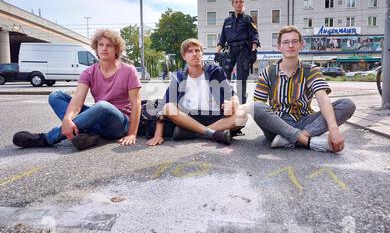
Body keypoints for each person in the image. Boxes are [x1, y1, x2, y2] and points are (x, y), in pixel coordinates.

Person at [13, 29, 142, 151]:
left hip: (119, 124)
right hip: (97, 120)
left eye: (109, 45)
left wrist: (132, 134)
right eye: (101, 44)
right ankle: (85, 135)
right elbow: (77, 101)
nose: (104, 48)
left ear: (116, 49)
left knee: (102, 106)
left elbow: (136, 104)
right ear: (96, 48)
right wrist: (68, 119)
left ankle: (47, 138)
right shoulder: (88, 72)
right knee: (55, 95)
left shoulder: (129, 71)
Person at [252, 25, 356, 153]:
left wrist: (333, 128)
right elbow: (258, 104)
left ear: (301, 45)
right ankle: (306, 141)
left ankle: (292, 139)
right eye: (286, 42)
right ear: (279, 47)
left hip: (305, 122)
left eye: (295, 41)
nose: (291, 45)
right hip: (277, 126)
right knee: (256, 107)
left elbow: (322, 98)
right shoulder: (268, 72)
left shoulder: (311, 70)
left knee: (347, 104)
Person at [156, 38, 248, 146]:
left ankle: (194, 133)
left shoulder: (215, 71)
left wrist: (233, 104)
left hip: (216, 117)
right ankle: (214, 133)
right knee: (168, 107)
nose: (194, 54)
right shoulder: (179, 77)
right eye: (190, 51)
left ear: (202, 53)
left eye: (197, 50)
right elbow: (163, 108)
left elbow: (233, 95)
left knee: (242, 115)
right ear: (184, 56)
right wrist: (158, 134)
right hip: (189, 118)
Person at [215, 0, 260, 104]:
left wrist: (253, 51)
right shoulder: (227, 21)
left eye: (241, 2)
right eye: (236, 2)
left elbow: (254, 36)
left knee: (241, 80)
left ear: (243, 4)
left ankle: (241, 106)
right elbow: (222, 39)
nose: (239, 4)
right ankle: (227, 102)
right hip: (230, 51)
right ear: (233, 4)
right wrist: (217, 53)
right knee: (224, 77)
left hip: (243, 52)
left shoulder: (248, 19)